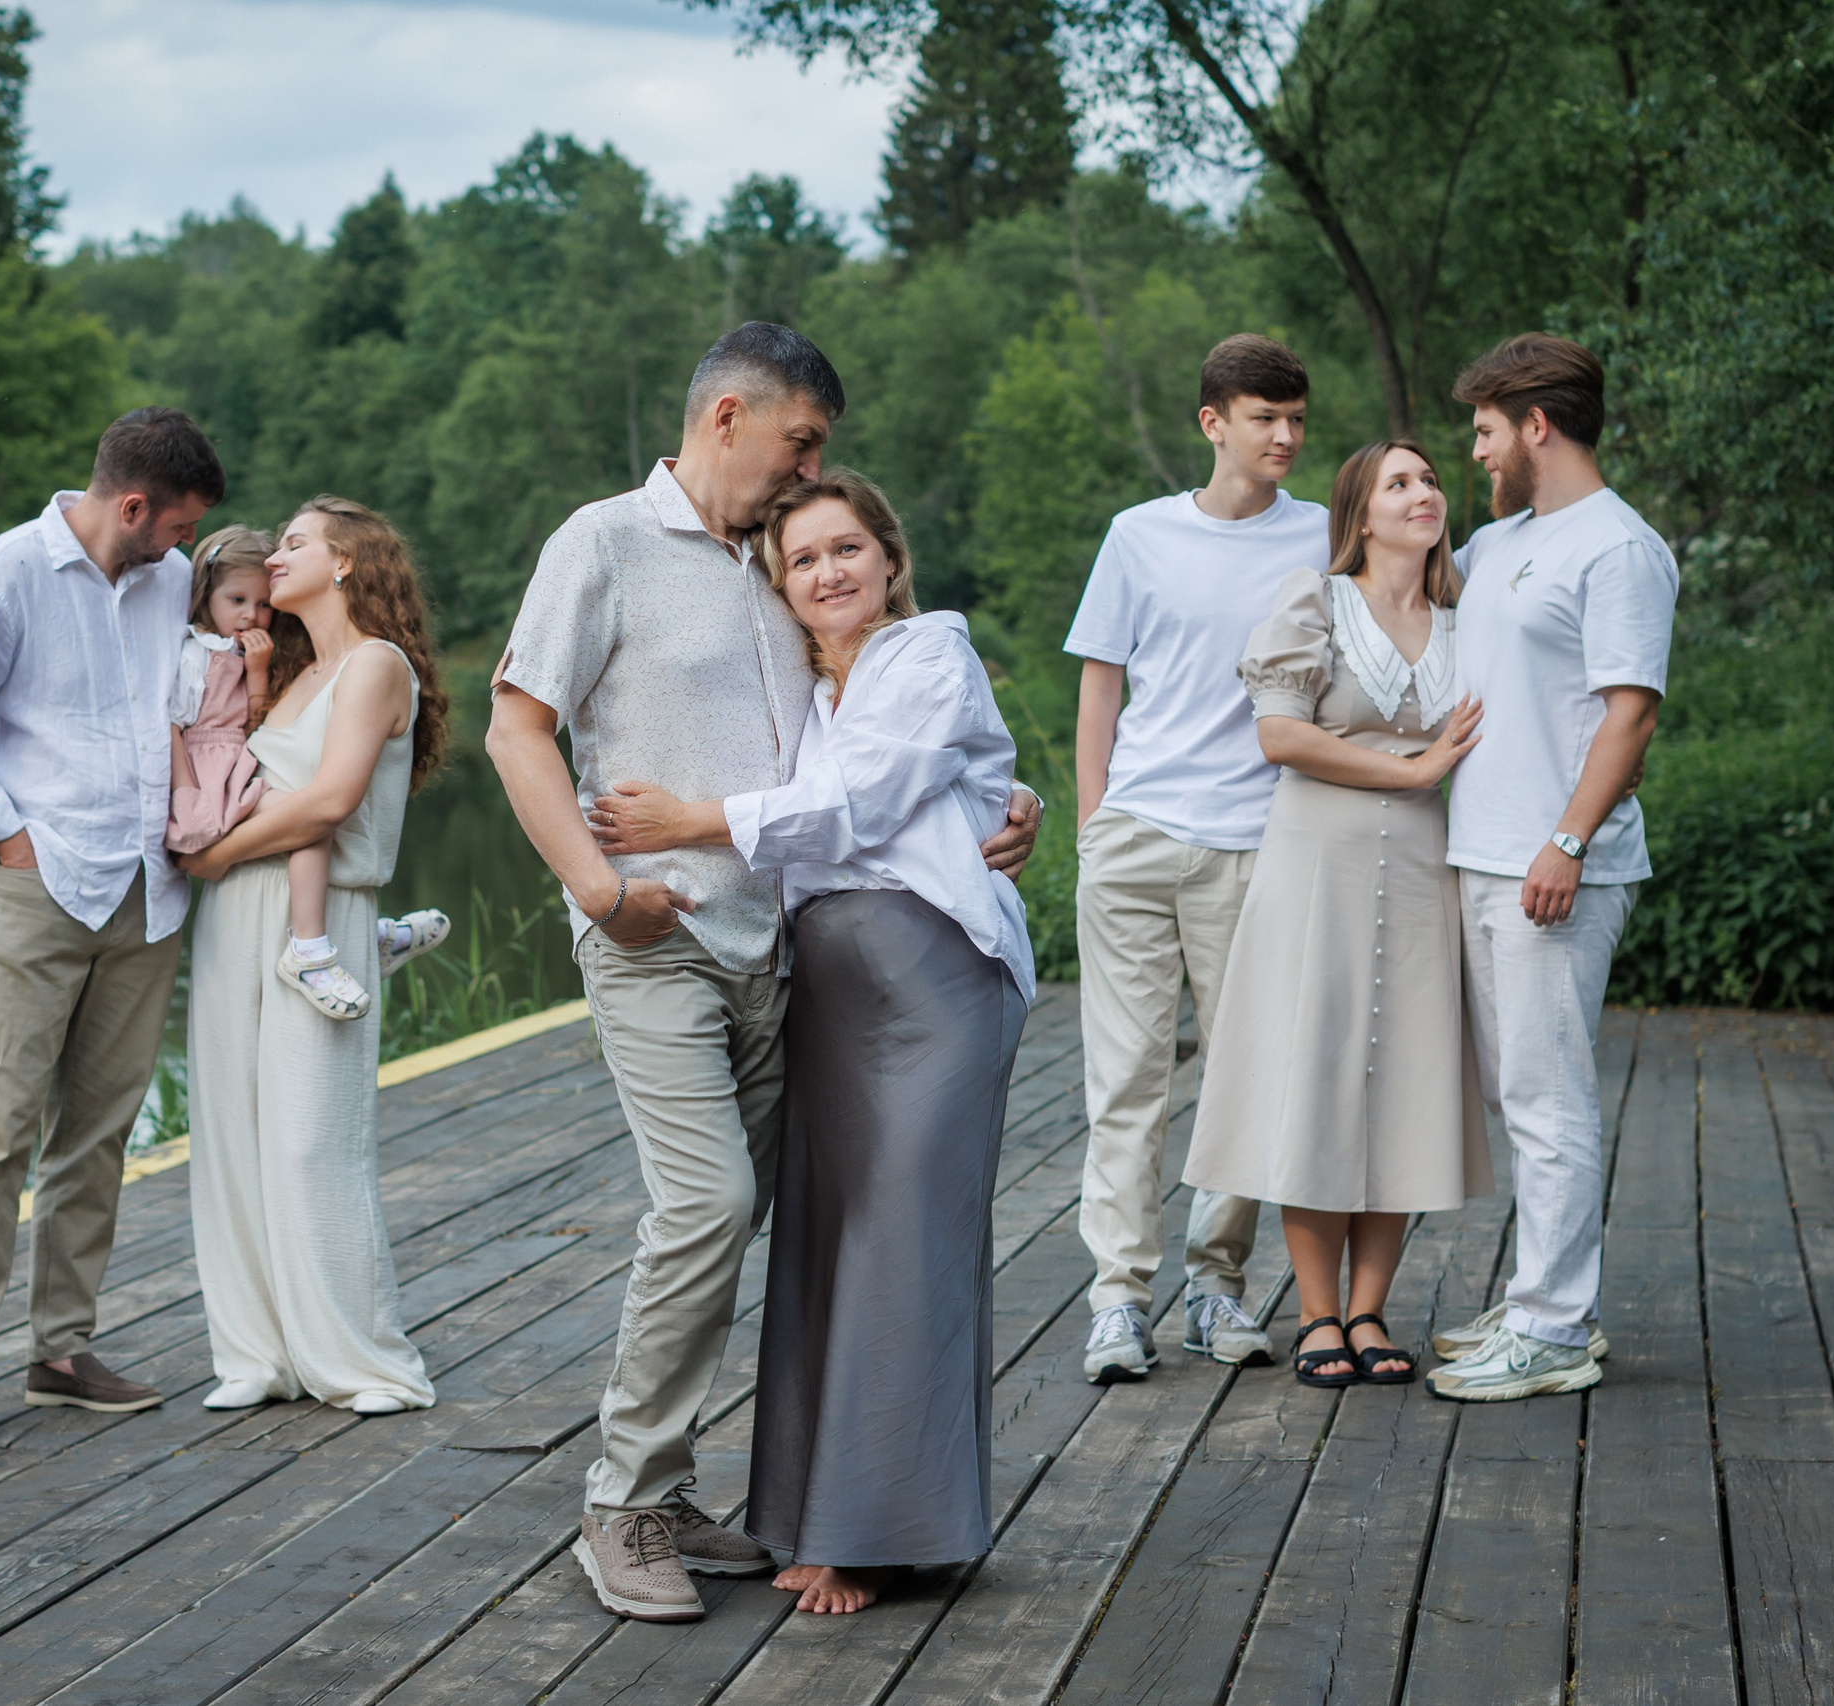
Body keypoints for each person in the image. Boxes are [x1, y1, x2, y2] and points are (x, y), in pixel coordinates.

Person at [485, 323, 1042, 1626]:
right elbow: (519, 728)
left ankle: (681, 1492)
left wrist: (1002, 802)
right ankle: (620, 1502)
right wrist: (600, 886)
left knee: (772, 1223)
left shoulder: (781, 570)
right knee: (705, 1201)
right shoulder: (603, 543)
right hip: (656, 935)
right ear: (728, 415)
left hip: (788, 952)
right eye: (800, 441)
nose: (810, 472)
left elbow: (878, 744)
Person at [0, 406, 225, 1441]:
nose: (184, 547)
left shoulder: (171, 582)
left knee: (99, 1134)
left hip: (145, 894)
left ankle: (62, 1348)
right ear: (131, 504)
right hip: (33, 892)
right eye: (176, 526)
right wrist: (8, 840)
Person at [1181, 441, 1492, 1387]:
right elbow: (1282, 734)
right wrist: (1415, 767)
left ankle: (1370, 1310)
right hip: (1318, 864)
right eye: (1400, 483)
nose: (1424, 494)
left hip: (1423, 872)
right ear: (1359, 513)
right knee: (1315, 1075)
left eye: (1433, 480)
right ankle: (1317, 1314)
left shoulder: (1462, 616)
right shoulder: (1313, 600)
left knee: (1403, 1080)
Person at [1065, 334, 1331, 1385]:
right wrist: (1092, 831)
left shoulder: (1320, 533)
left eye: (1298, 419)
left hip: (1256, 846)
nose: (1286, 437)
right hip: (1134, 840)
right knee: (1124, 1082)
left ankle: (1215, 1282)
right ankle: (1117, 1301)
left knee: (1244, 1082)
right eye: (1266, 417)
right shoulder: (1137, 535)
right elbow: (1101, 689)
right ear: (1213, 421)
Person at [1425, 335, 1674, 1403]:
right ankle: (1540, 1293)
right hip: (1479, 853)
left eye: (1484, 430)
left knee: (1547, 1094)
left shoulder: (1618, 549)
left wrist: (1566, 842)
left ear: (1535, 424)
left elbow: (1631, 713)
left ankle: (1554, 1326)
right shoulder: (1496, 543)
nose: (1476, 451)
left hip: (1555, 865)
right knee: (1513, 1090)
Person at [174, 497, 452, 1416]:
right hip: (231, 921)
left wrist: (212, 853)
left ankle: (361, 1359)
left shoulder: (374, 665)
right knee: (230, 1137)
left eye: (294, 543)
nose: (275, 555)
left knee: (309, 1140)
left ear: (345, 563)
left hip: (316, 914)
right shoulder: (289, 674)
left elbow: (331, 803)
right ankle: (254, 1354)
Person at [165, 526, 277, 855]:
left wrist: (258, 670)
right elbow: (172, 728)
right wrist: (185, 791)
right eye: (237, 600)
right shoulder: (196, 655)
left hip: (238, 764)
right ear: (207, 595)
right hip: (201, 772)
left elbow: (256, 723)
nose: (251, 615)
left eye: (264, 605)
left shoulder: (248, 656)